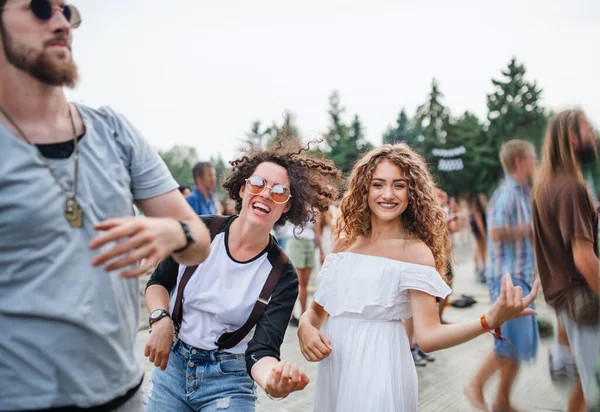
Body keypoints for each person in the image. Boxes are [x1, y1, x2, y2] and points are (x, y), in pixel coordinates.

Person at [0, 2, 212, 411]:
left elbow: (199, 240)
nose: (62, 22)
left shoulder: (113, 131)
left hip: (123, 393)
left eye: (67, 12)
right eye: (41, 8)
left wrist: (172, 232)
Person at [297, 143, 539, 412]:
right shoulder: (344, 244)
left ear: (412, 192)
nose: (388, 194)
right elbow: (317, 312)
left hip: (381, 373)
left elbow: (428, 336)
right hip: (335, 370)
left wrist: (489, 320)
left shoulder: (414, 252)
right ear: (365, 188)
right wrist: (305, 327)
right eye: (378, 184)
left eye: (399, 185)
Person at [144, 141, 342, 411]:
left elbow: (261, 352)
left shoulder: (282, 275)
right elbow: (159, 283)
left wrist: (273, 379)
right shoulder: (201, 230)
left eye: (280, 191)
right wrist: (160, 318)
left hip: (230, 381)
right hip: (173, 368)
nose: (266, 194)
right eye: (258, 183)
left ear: (287, 206)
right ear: (242, 188)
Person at [532, 109, 600, 411]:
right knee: (595, 388)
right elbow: (584, 259)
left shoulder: (548, 185)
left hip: (571, 303)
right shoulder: (571, 188)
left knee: (588, 386)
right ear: (572, 136)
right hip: (586, 301)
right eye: (589, 130)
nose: (594, 136)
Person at [465, 139, 539, 412]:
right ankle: (475, 385)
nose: (536, 162)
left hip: (521, 275)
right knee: (508, 343)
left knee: (518, 345)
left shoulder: (522, 192)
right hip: (508, 278)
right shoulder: (506, 194)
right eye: (532, 158)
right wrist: (527, 228)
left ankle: (502, 401)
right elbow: (496, 233)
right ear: (519, 161)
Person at [286, 220, 317, 326]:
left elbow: (316, 227)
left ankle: (303, 316)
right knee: (295, 283)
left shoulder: (314, 205)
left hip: (309, 242)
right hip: (296, 241)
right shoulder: (294, 203)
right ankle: (291, 315)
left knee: (304, 285)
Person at [471, 193, 489, 283]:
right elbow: (480, 225)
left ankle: (481, 267)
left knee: (480, 249)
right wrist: (484, 235)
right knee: (480, 249)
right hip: (479, 233)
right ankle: (482, 268)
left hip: (480, 232)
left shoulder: (482, 209)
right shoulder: (477, 210)